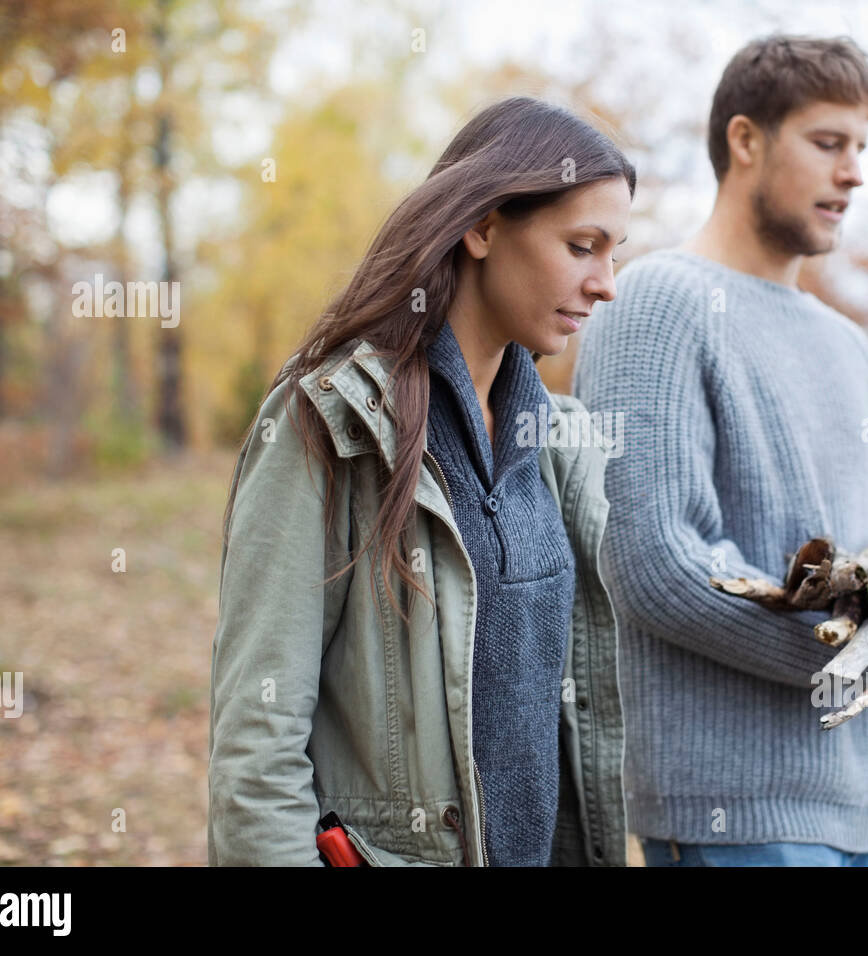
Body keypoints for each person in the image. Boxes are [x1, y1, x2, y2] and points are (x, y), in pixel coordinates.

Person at [573, 34, 868, 867]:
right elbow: (651, 564)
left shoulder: (847, 346)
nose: (854, 172)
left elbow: (841, 572)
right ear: (745, 141)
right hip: (728, 810)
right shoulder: (653, 304)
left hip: (857, 808)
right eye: (827, 143)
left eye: (862, 149)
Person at [208, 95, 634, 866]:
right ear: (482, 226)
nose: (607, 282)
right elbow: (256, 743)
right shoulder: (331, 422)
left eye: (615, 252)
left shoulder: (558, 445)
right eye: (582, 246)